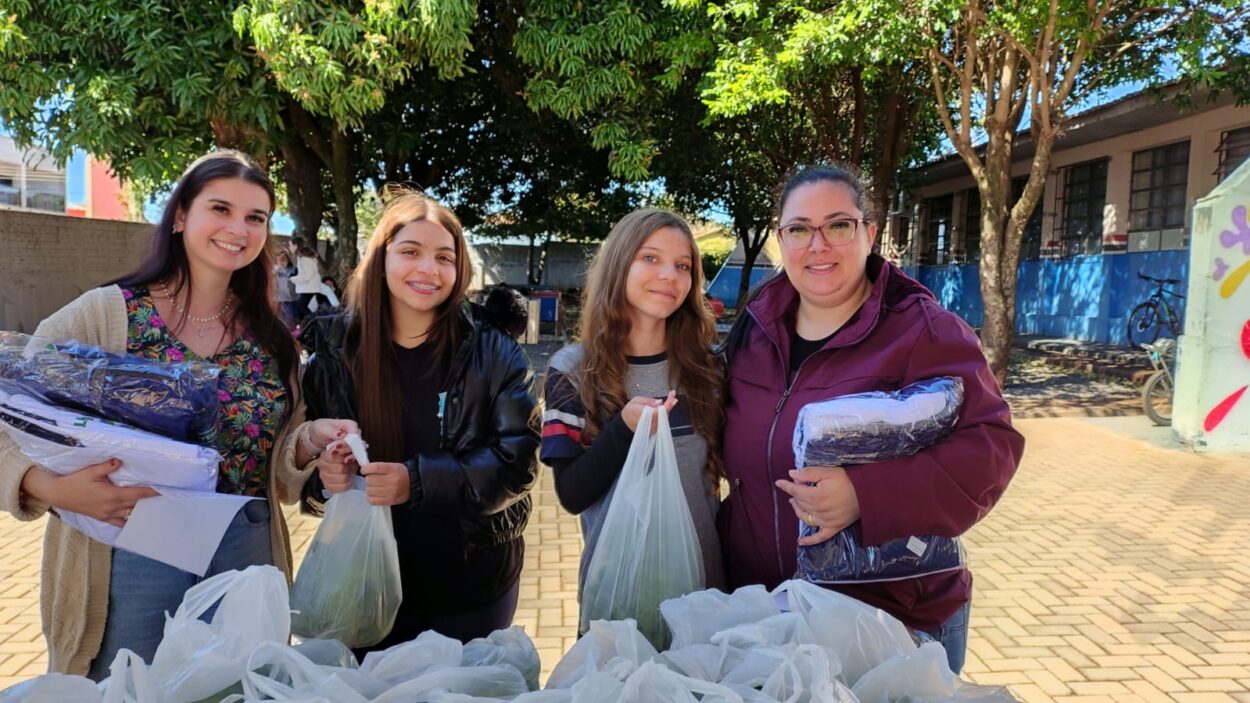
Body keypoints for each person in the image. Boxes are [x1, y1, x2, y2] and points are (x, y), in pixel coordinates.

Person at [0, 150, 354, 678]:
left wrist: (309, 441)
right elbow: (10, 409)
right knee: (126, 687)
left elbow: (277, 468)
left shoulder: (272, 341)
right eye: (221, 209)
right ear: (182, 216)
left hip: (244, 544)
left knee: (240, 688)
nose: (239, 228)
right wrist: (49, 488)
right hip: (127, 550)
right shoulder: (106, 315)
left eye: (255, 217)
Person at [717, 164, 1025, 673]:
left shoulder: (922, 331)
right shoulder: (754, 330)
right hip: (764, 613)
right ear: (780, 240)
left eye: (838, 225)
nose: (818, 245)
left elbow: (991, 449)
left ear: (869, 233)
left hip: (891, 621)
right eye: (798, 229)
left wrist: (866, 495)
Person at [297, 189, 539, 650]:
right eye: (410, 252)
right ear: (381, 258)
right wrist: (325, 478)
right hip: (362, 580)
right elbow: (307, 482)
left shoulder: (495, 352)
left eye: (444, 257)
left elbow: (517, 465)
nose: (428, 269)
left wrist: (417, 481)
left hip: (472, 587)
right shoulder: (333, 352)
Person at [541, 208, 726, 631]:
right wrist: (624, 429)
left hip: (705, 598)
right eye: (651, 258)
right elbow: (571, 494)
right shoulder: (572, 370)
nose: (669, 275)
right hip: (618, 597)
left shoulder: (709, 369)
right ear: (619, 263)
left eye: (683, 266)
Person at [288, 236, 326, 324]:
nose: (289, 247)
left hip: (310, 286)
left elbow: (308, 275)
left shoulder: (304, 258)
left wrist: (293, 279)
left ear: (296, 246)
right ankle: (307, 325)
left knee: (301, 306)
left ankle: (316, 323)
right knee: (301, 307)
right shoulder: (302, 257)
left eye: (290, 245)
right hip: (309, 286)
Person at [274, 249, 299, 326]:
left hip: (290, 299)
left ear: (288, 260)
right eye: (278, 260)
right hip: (278, 299)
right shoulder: (275, 270)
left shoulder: (293, 270)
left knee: (290, 319)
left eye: (283, 259)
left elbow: (290, 277)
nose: (281, 262)